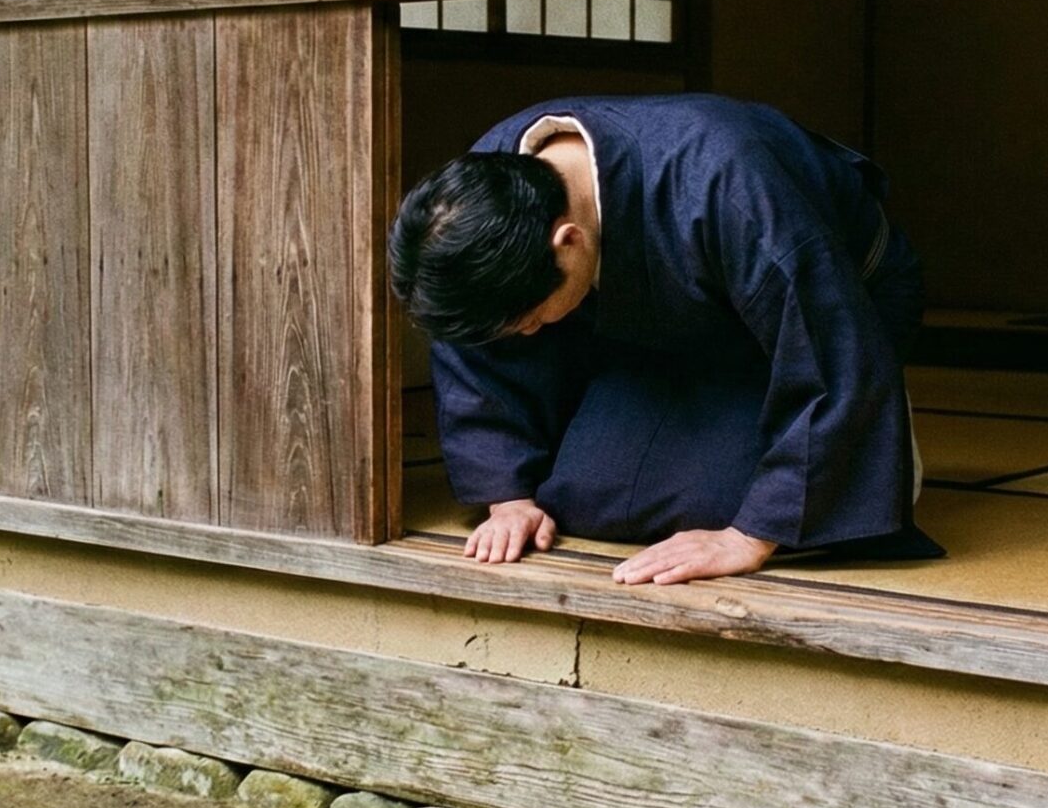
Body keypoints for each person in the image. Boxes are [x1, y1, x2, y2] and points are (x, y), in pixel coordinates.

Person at [388, 93, 938, 587]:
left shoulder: (730, 182)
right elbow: (475, 341)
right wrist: (508, 498)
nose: (526, 334)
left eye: (529, 317)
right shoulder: (487, 187)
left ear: (567, 241)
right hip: (667, 325)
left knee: (725, 507)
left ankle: (879, 440)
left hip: (834, 312)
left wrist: (748, 538)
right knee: (584, 498)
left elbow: (827, 348)